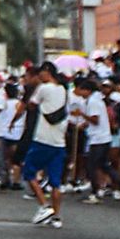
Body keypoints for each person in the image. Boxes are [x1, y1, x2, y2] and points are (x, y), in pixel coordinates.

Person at [22, 62, 70, 228]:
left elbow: (31, 104)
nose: (39, 76)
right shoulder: (63, 89)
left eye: (40, 73)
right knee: (56, 182)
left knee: (29, 171)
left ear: (47, 72)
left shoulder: (43, 88)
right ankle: (56, 216)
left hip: (43, 139)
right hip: (59, 141)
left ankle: (44, 206)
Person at [72, 76, 120, 203]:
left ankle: (95, 192)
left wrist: (81, 115)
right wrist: (83, 125)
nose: (80, 93)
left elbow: (95, 119)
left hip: (99, 138)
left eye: (81, 90)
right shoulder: (93, 101)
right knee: (102, 165)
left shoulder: (93, 101)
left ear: (87, 90)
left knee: (92, 166)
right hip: (100, 137)